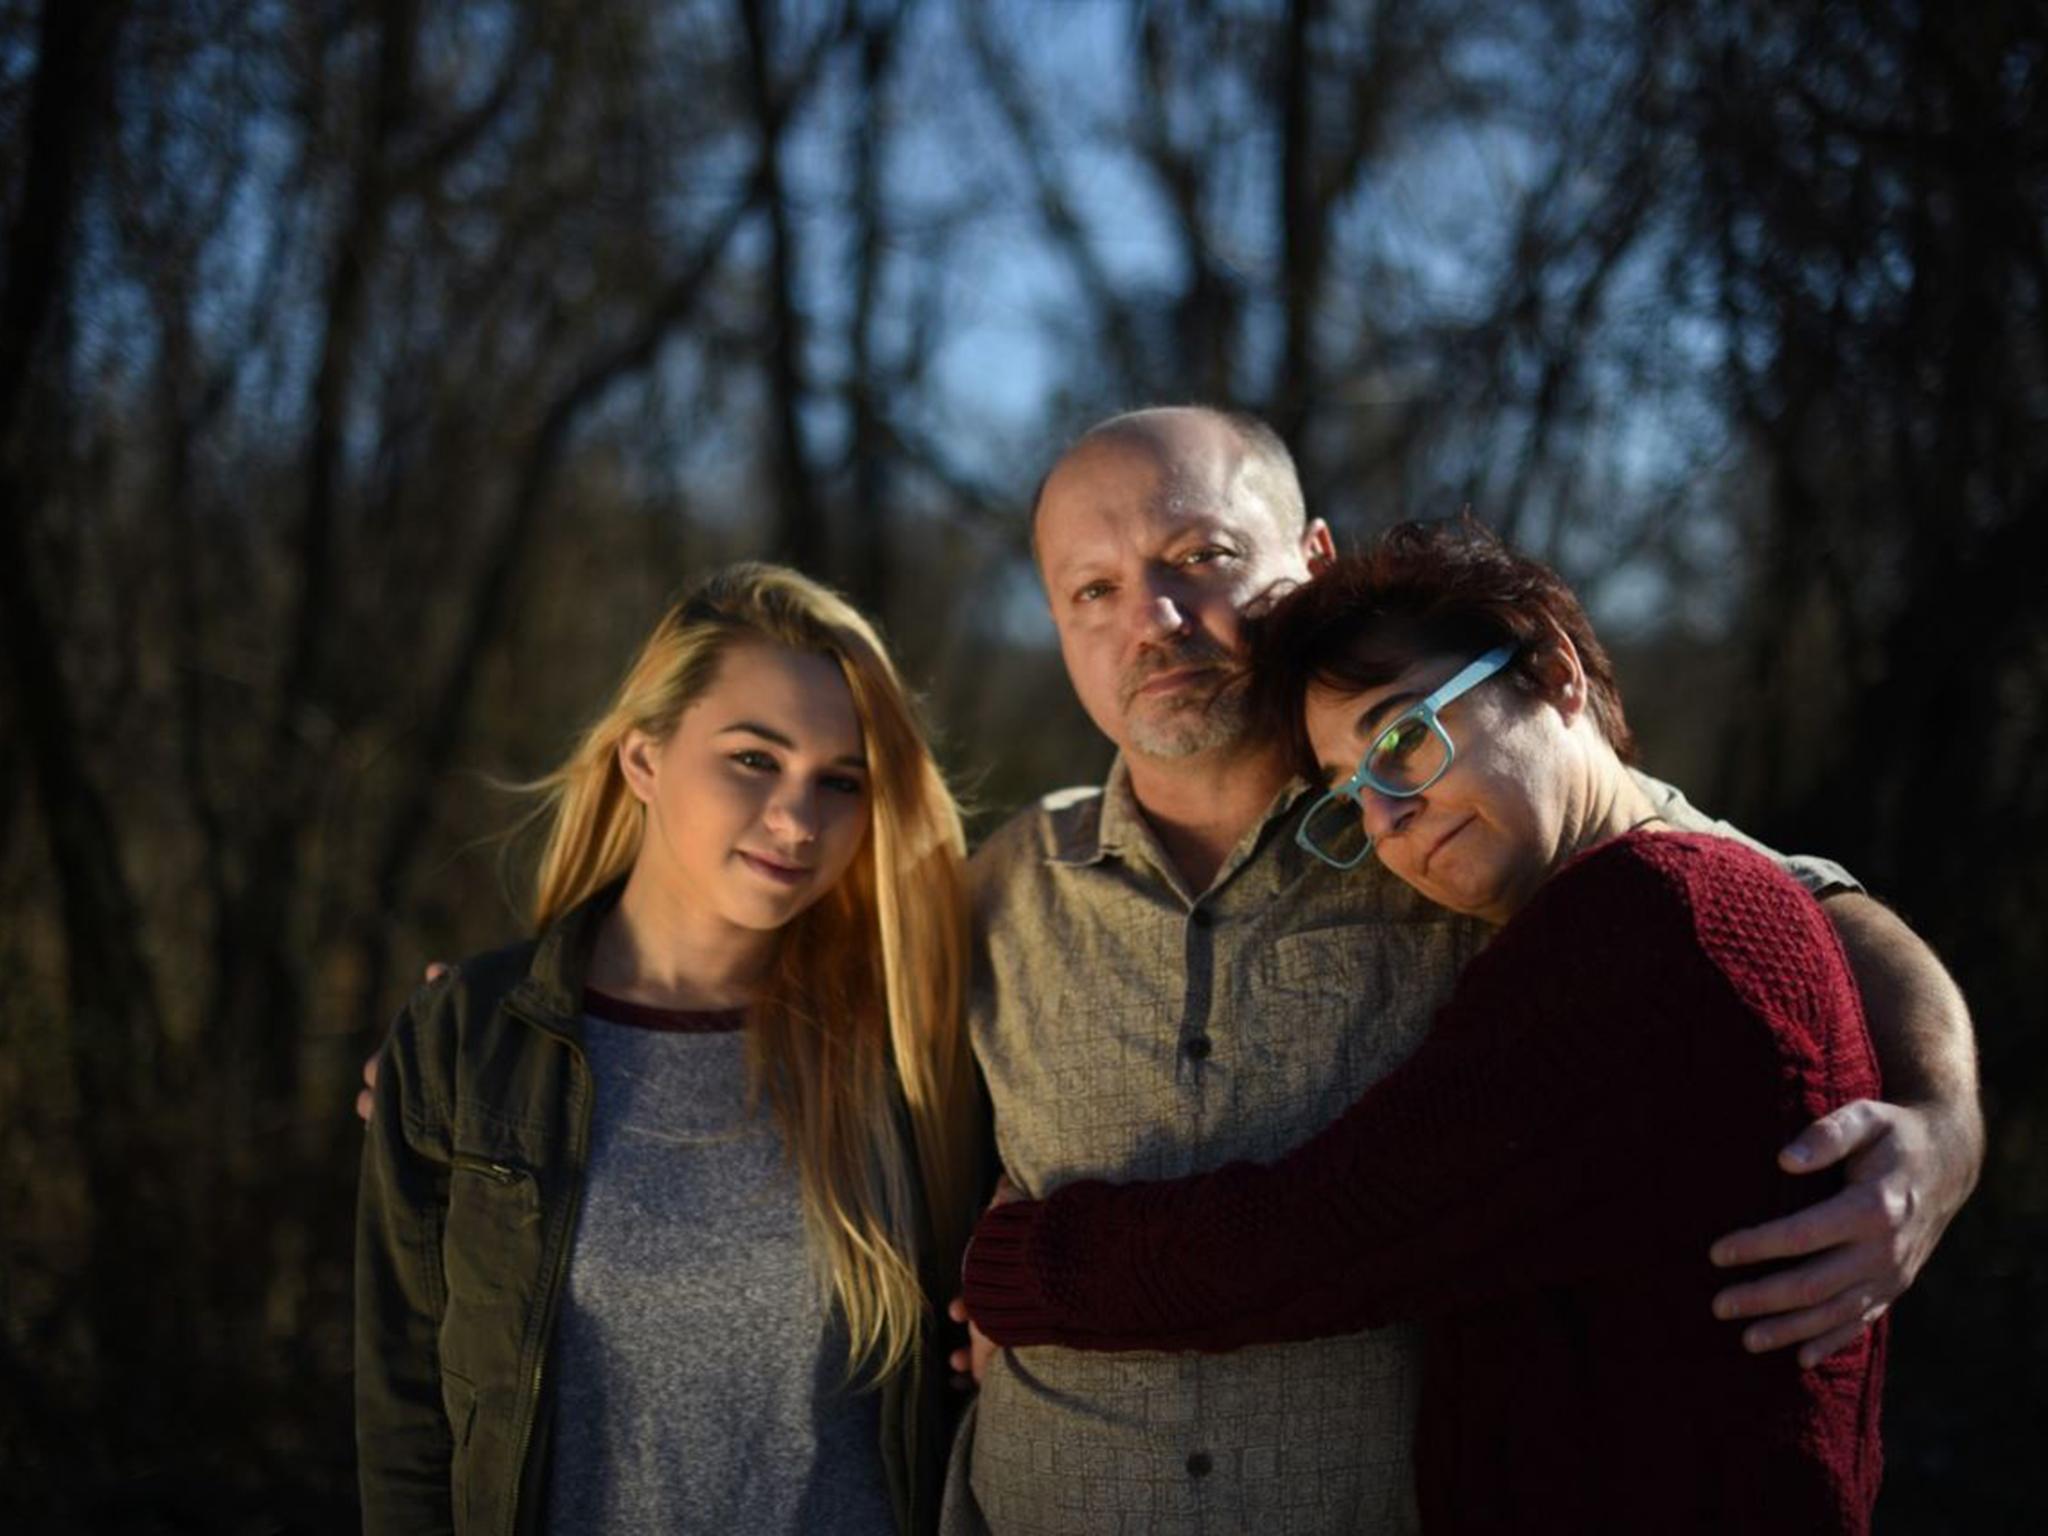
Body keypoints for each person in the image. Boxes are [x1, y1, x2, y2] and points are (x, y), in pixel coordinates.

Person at [941, 405, 1977, 1535]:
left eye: (1201, 557)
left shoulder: (1469, 833)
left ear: (1309, 562)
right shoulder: (1005, 884)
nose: (1154, 616)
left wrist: (1943, 1116)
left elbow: (1783, 905)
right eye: (1092, 589)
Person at [355, 564, 980, 1536]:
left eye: (840, 782)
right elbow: (406, 1419)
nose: (796, 820)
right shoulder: (474, 1042)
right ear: (642, 760)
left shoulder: (907, 1038)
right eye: (751, 759)